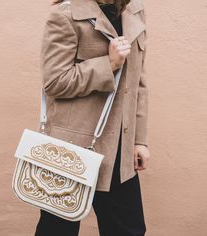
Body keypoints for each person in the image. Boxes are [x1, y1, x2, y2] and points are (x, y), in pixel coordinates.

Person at [35, 0, 150, 235]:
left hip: (119, 151)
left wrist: (139, 140)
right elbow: (55, 81)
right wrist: (109, 64)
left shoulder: (134, 10)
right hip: (69, 152)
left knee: (129, 230)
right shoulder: (66, 15)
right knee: (57, 231)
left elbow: (138, 82)